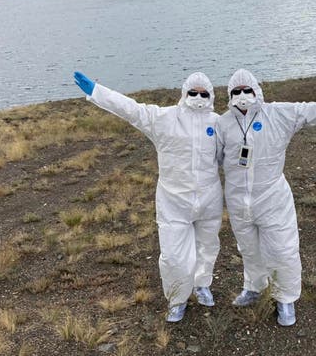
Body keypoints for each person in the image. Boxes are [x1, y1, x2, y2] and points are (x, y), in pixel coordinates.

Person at [216, 69, 316, 326]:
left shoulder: (279, 113)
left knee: (283, 249)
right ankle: (254, 287)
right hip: (238, 201)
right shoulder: (223, 124)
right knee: (249, 249)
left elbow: (312, 111)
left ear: (257, 91)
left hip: (272, 198)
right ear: (229, 95)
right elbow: (211, 158)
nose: (243, 96)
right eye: (237, 91)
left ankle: (286, 299)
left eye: (248, 90)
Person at [73, 71, 223, 323]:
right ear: (184, 93)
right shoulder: (164, 118)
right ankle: (177, 298)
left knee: (207, 247)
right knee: (174, 255)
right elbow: (131, 110)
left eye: (203, 93)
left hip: (209, 199)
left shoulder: (219, 123)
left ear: (211, 96)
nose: (198, 97)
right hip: (173, 201)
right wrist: (97, 92)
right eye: (193, 92)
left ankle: (201, 284)